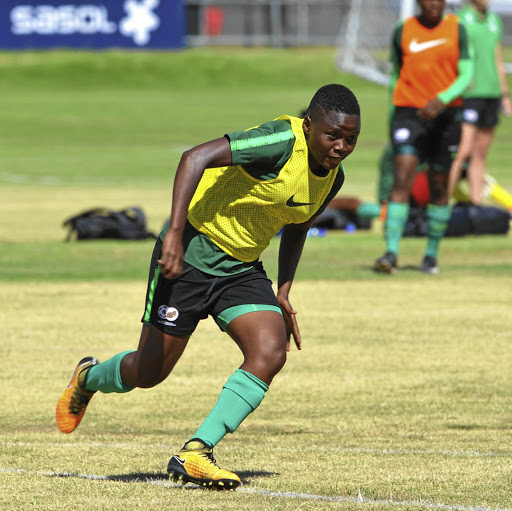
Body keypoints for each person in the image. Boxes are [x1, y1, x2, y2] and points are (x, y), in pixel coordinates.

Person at [56, 84, 361, 490]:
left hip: (240, 269)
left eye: (350, 139)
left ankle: (196, 452)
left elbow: (298, 225)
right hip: (191, 255)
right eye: (332, 135)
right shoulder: (278, 142)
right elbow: (194, 158)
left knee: (270, 350)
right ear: (309, 125)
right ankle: (88, 378)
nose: (341, 146)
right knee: (149, 372)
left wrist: (283, 290)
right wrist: (175, 236)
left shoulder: (333, 178)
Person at [374, 0, 473, 275]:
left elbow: (466, 74)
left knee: (439, 186)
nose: (433, 3)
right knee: (402, 175)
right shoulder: (402, 30)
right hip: (408, 113)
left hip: (446, 114)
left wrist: (442, 99)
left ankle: (431, 255)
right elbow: (396, 74)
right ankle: (391, 252)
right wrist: (394, 112)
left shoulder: (457, 29)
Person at [447, 0, 512, 205]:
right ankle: (440, 204)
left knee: (480, 153)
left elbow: (497, 57)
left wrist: (504, 93)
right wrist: (462, 78)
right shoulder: (460, 20)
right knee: (463, 151)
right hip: (470, 94)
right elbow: (452, 53)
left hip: (491, 92)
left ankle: (476, 205)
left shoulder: (494, 20)